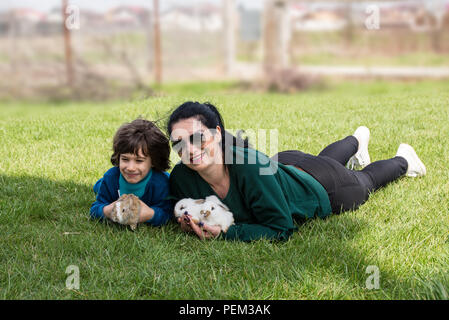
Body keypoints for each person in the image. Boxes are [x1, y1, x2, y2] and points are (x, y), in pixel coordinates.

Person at [167, 101, 426, 242]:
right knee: (323, 159)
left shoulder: (249, 166)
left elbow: (281, 228)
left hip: (323, 186)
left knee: (365, 180)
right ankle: (355, 142)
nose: (190, 149)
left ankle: (404, 159)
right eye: (179, 142)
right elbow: (173, 208)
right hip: (283, 164)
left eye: (198, 138)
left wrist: (227, 232)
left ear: (218, 134)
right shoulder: (181, 178)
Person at [90, 118, 173, 227]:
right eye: (125, 159)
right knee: (99, 186)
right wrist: (107, 210)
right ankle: (99, 184)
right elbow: (95, 209)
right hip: (109, 182)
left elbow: (168, 213)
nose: (130, 168)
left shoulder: (161, 183)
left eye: (139, 161)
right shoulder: (111, 177)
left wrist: (150, 215)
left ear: (153, 161)